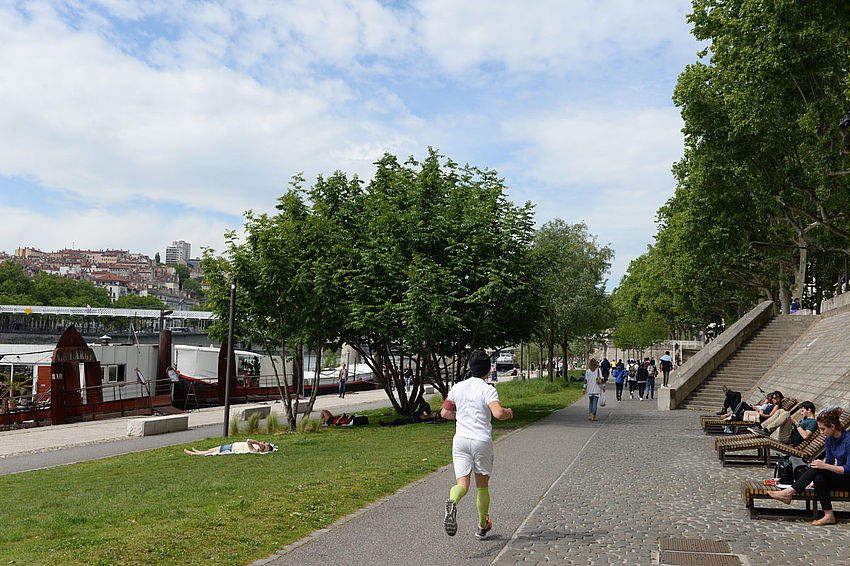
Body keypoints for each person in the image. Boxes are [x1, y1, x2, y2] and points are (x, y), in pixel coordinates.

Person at [441, 350, 513, 540]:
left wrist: (461, 416)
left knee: (462, 484)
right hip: (481, 441)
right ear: (489, 370)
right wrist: (508, 412)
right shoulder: (487, 388)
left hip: (461, 440)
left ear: (470, 368)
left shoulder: (458, 387)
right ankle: (482, 526)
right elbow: (497, 414)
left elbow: (444, 413)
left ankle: (453, 501)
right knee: (482, 486)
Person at [768, 409, 850, 525]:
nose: (821, 432)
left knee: (818, 467)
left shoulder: (848, 440)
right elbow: (830, 462)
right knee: (819, 478)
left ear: (832, 426)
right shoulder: (830, 439)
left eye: (823, 429)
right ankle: (828, 515)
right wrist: (821, 469)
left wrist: (823, 466)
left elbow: (848, 469)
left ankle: (789, 492)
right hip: (840, 477)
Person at [749, 401, 817, 446]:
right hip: (787, 435)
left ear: (809, 410)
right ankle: (762, 427)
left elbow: (805, 436)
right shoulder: (806, 420)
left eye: (802, 411)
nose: (801, 413)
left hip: (789, 440)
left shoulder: (813, 422)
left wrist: (796, 423)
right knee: (781, 411)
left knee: (787, 414)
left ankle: (766, 430)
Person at [184, 438, 275, 455]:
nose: (262, 445)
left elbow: (249, 441)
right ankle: (198, 451)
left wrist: (259, 444)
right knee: (211, 450)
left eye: (264, 447)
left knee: (211, 451)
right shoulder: (256, 446)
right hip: (232, 445)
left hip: (231, 448)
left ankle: (193, 453)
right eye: (264, 443)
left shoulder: (254, 450)